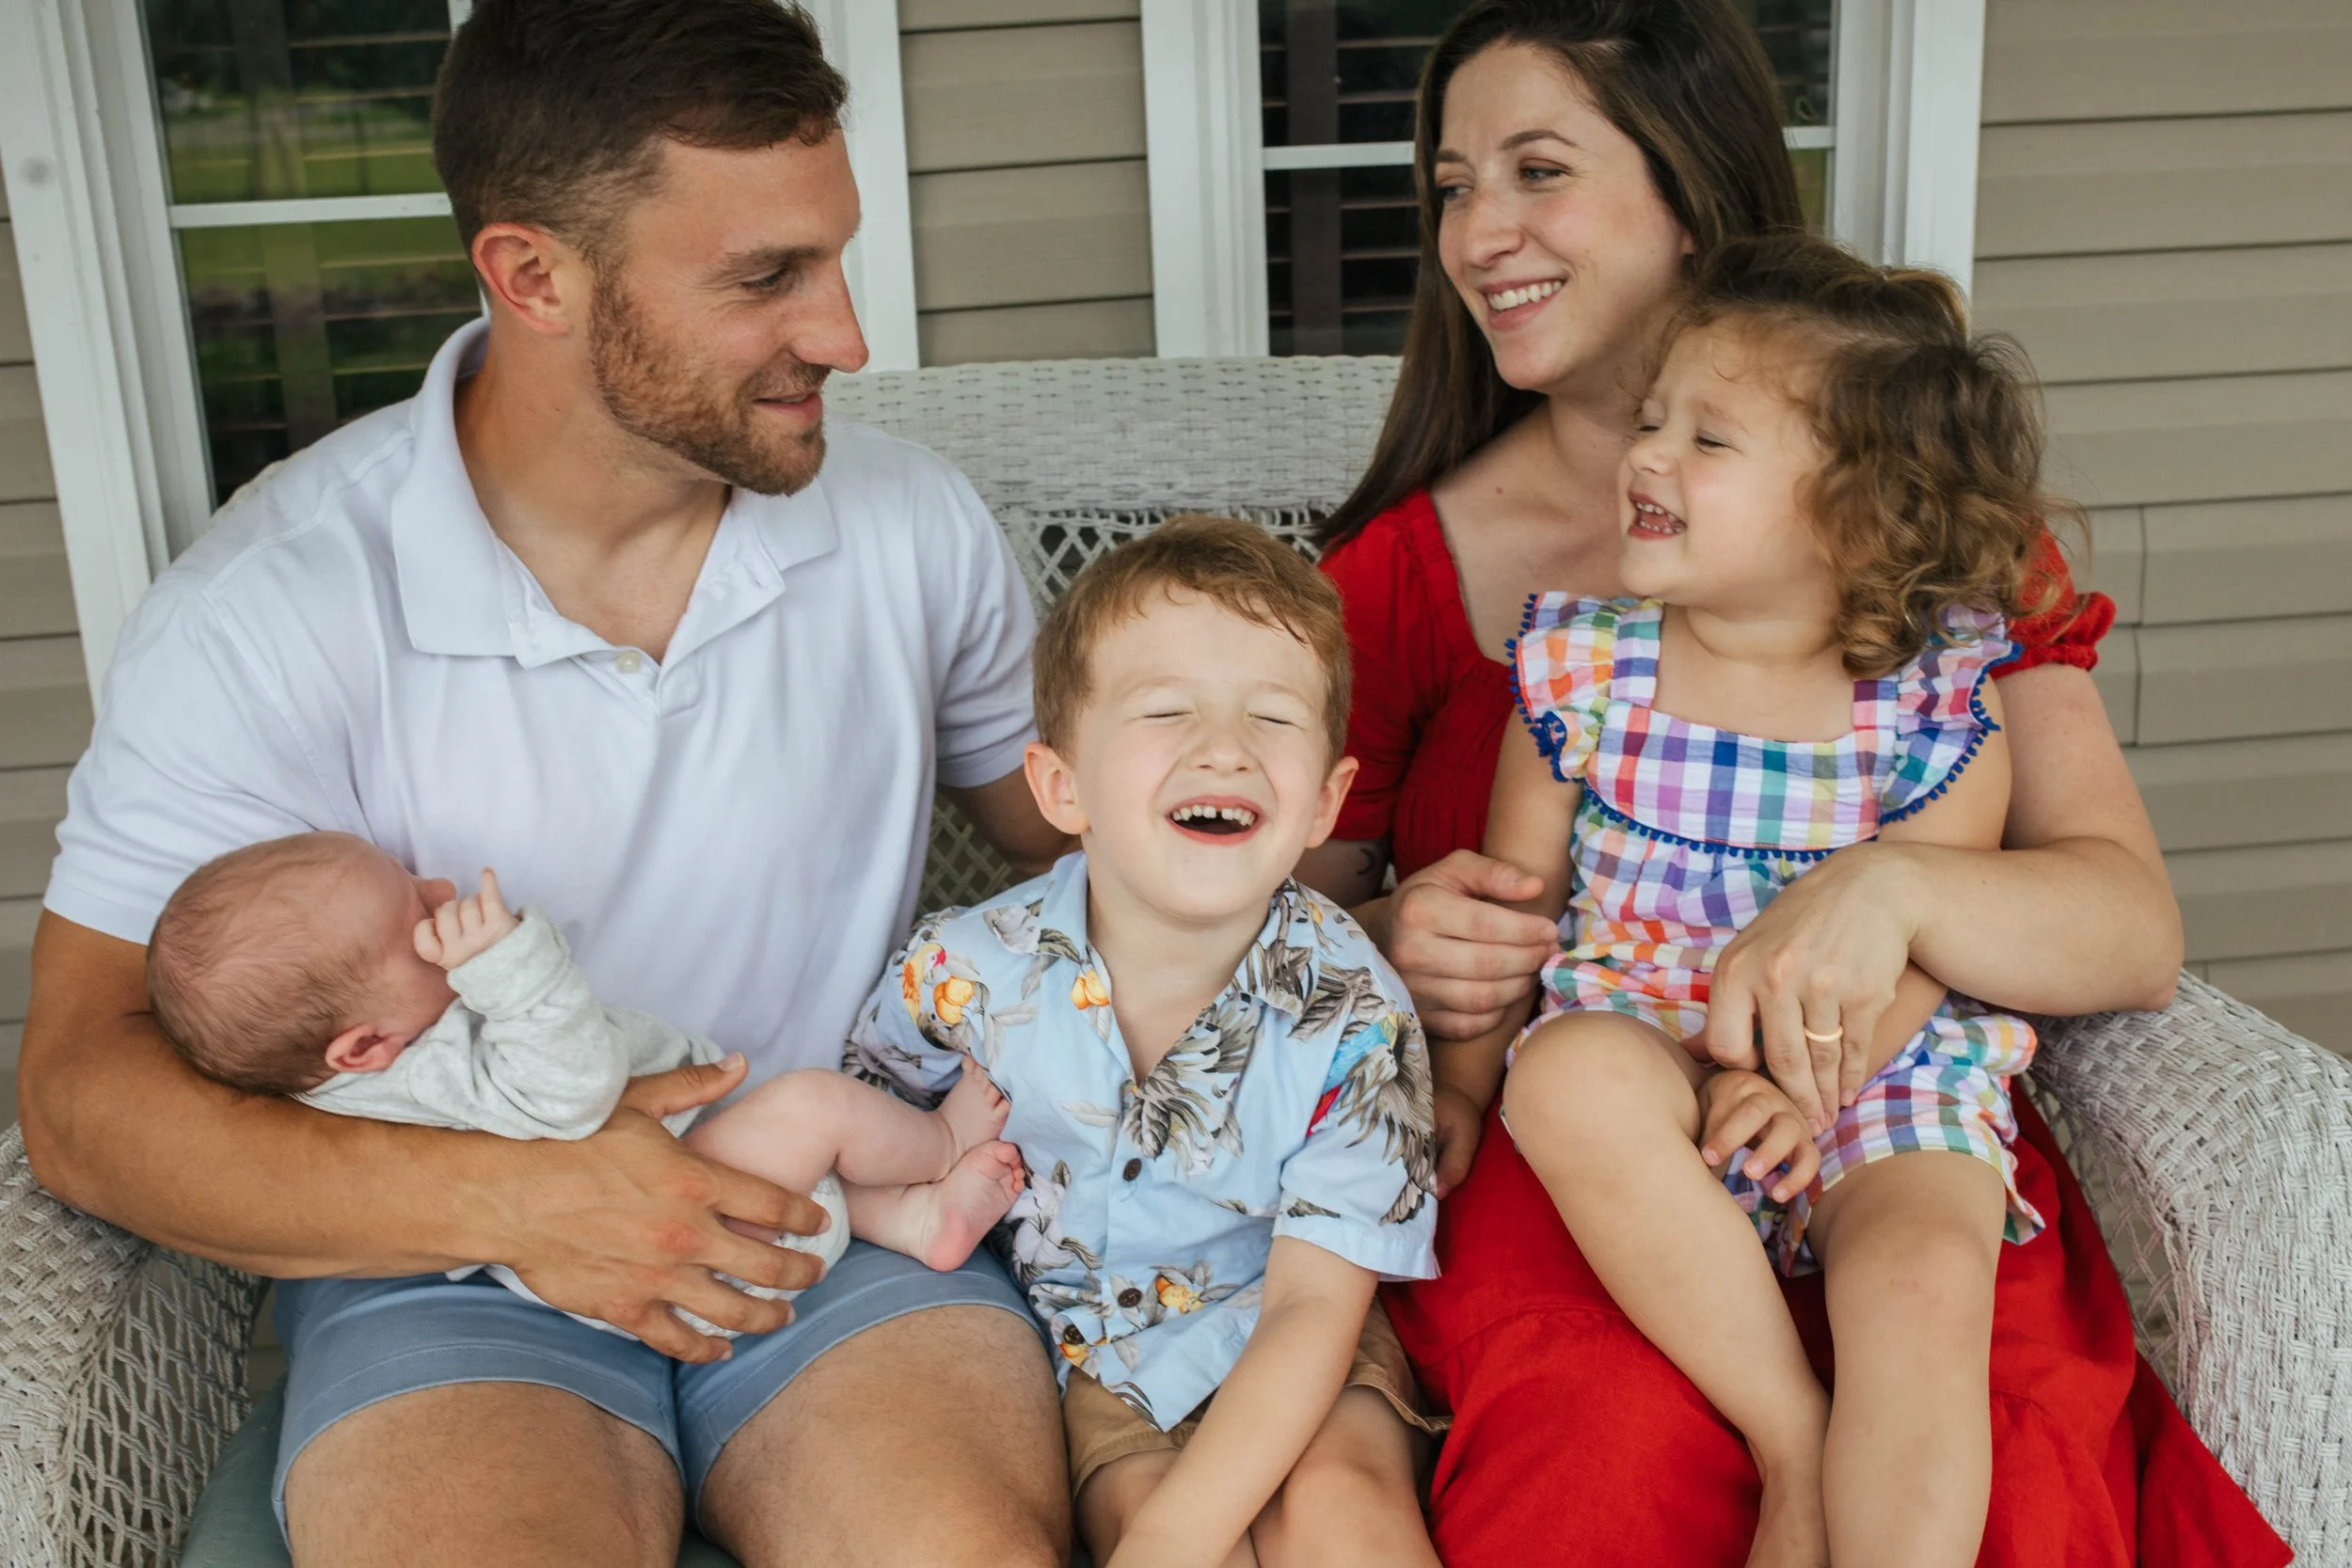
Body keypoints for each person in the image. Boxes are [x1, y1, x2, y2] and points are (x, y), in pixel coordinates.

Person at [19, 1, 1074, 1561]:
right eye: (766, 277)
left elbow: (1093, 839)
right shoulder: (273, 608)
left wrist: (1389, 877)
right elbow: (82, 1100)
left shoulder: (910, 525)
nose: (848, 335)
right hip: (440, 1259)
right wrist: (525, 1203)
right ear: (532, 277)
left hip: (838, 1193)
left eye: (834, 257)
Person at [1293, 3, 2290, 1565]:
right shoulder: (1412, 581)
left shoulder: (1927, 557)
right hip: (1583, 1142)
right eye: (1451, 185)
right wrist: (1392, 949)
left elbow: (2127, 932)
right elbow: (1227, 934)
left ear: (1690, 198)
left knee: (1998, 1450)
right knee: (1603, 1444)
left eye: (1535, 171)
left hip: (1875, 1102)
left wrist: (1891, 890)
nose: (1477, 233)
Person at [1456, 231, 2071, 1566]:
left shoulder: (1936, 696)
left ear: (1860, 515)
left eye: (1709, 439)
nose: (1648, 456)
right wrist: (1456, 1090)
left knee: (1924, 1283)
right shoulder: (1579, 663)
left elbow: (1918, 935)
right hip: (1647, 1045)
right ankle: (1789, 1437)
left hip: (1872, 1066)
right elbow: (1515, 917)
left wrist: (1798, 1088)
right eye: (1653, 418)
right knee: (1564, 1080)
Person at [849, 517, 1446, 1568]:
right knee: (1147, 1514)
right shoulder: (965, 968)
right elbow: (862, 1117)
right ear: (1059, 785)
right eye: (1166, 710)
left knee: (1346, 1514)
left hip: (1300, 1327)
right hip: (1101, 1352)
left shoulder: (1355, 1009)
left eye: (1271, 716)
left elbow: (1315, 1306)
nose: (1224, 746)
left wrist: (1177, 1534)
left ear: (1326, 799)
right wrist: (921, 1187)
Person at [147, 839, 1026, 1335]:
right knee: (813, 1107)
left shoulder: (361, 1079)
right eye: (418, 912)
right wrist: (509, 966)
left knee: (791, 1156)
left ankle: (915, 1221)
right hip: (679, 1238)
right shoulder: (432, 1067)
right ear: (364, 1044)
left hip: (676, 1210)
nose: (441, 888)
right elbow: (571, 1090)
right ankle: (943, 1143)